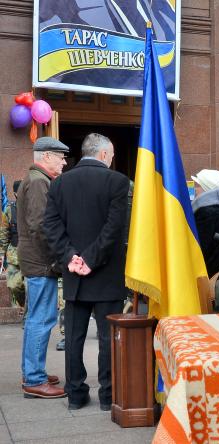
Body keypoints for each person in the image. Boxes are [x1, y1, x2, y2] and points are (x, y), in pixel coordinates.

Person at [44, 133, 129, 411]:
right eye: (112, 154)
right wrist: (90, 259)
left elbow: (51, 227)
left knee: (74, 338)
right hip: (106, 273)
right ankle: (108, 395)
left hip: (74, 274)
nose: (112, 158)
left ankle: (76, 395)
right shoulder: (117, 182)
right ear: (104, 154)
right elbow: (114, 229)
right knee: (108, 338)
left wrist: (72, 258)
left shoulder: (59, 184)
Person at [18, 137, 69, 399]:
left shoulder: (37, 179)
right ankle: (35, 379)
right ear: (46, 156)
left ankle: (31, 372)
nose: (64, 161)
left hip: (36, 260)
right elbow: (41, 226)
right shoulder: (39, 182)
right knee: (42, 319)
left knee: (35, 319)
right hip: (41, 262)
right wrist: (57, 258)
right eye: (60, 157)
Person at [191, 169, 219, 278]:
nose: (195, 189)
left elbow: (199, 248)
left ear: (207, 189)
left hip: (205, 274)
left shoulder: (207, 213)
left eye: (198, 185)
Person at [0, 180, 25, 309]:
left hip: (31, 255)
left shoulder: (34, 206)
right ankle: (23, 304)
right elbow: (4, 233)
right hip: (14, 254)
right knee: (14, 285)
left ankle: (28, 313)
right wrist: (1, 254)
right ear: (15, 194)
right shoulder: (9, 210)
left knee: (30, 286)